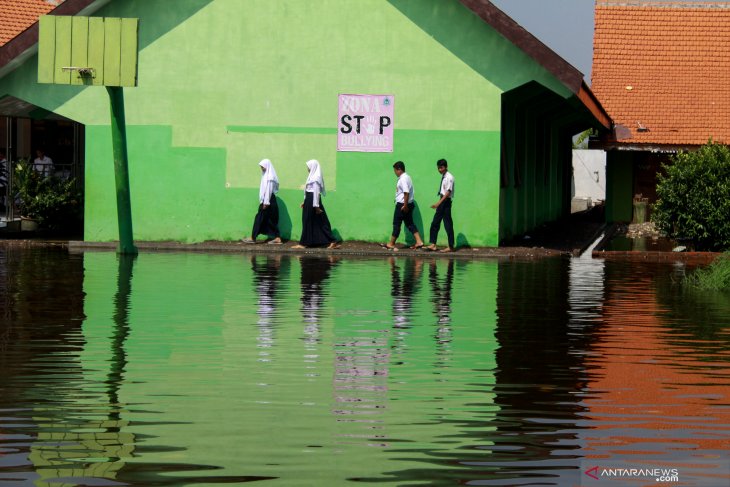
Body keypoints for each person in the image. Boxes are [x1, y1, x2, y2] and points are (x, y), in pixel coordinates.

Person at [292, 160, 339, 249]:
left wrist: (316, 206)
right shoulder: (312, 176)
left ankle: (331, 241)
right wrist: (305, 201)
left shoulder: (316, 178)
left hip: (313, 201)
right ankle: (308, 242)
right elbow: (308, 190)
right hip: (310, 200)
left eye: (309, 167)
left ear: (313, 167)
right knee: (313, 221)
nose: (307, 169)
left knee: (316, 220)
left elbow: (316, 192)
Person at [385, 161, 425, 251]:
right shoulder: (408, 177)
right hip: (408, 204)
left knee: (396, 223)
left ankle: (391, 243)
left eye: (395, 170)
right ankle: (419, 241)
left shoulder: (403, 179)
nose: (394, 172)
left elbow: (406, 192)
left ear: (399, 169)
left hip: (402, 205)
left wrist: (405, 205)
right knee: (409, 223)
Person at [243, 159, 282, 244]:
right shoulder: (265, 175)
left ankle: (253, 237)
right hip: (266, 200)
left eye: (263, 166)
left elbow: (268, 190)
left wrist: (266, 202)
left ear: (267, 166)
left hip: (268, 201)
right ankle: (277, 237)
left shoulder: (270, 176)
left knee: (259, 218)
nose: (261, 168)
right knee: (269, 220)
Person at [425, 158, 455, 252]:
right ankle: (433, 244)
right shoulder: (444, 176)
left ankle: (450, 246)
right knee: (435, 223)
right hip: (442, 202)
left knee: (448, 224)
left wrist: (438, 203)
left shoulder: (449, 177)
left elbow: (448, 192)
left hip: (445, 202)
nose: (439, 170)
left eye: (441, 168)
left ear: (446, 167)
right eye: (438, 168)